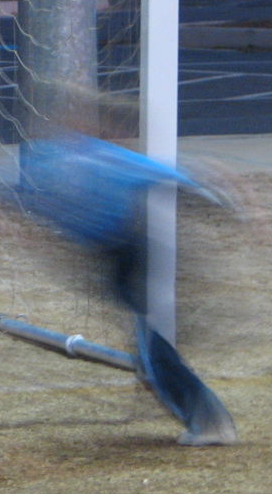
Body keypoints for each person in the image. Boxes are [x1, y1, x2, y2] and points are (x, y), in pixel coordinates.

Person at [16, 107, 239, 447]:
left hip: (130, 253)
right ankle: (191, 403)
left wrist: (225, 200)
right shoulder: (78, 158)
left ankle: (211, 422)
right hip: (113, 256)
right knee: (149, 341)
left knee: (154, 345)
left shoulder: (101, 159)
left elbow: (184, 178)